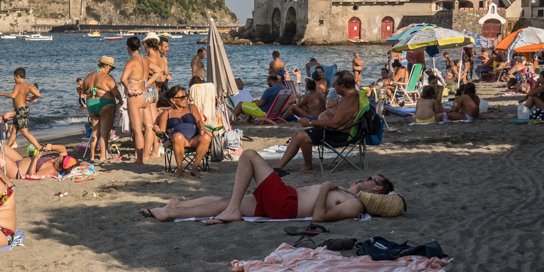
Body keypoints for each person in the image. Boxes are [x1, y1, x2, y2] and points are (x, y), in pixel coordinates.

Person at [139, 149, 396, 224]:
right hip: (285, 198)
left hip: (286, 204)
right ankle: (173, 208)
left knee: (249, 155)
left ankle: (231, 211)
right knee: (223, 199)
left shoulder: (354, 203)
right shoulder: (349, 194)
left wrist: (327, 187)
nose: (365, 179)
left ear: (376, 189)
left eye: (371, 179)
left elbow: (319, 217)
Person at [271, 71, 362, 174]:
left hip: (340, 135)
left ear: (342, 86)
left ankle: (308, 165)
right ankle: (279, 166)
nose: (333, 86)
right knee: (296, 136)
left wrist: (310, 122)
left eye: (335, 84)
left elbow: (335, 124)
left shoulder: (351, 100)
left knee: (302, 136)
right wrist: (334, 106)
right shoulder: (348, 97)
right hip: (333, 130)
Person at [155, 84, 211, 177]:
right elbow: (162, 133)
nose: (185, 99)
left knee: (206, 137)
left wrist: (202, 129)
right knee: (178, 136)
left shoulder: (191, 107)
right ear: (172, 100)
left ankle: (195, 168)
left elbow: (199, 121)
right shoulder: (166, 113)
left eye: (186, 96)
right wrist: (157, 131)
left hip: (194, 138)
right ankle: (179, 169)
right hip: (177, 140)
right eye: (181, 98)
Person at [81, 55, 121, 163]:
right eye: (111, 68)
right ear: (107, 66)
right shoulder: (108, 78)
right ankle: (103, 156)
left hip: (91, 104)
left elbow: (83, 91)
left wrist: (92, 91)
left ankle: (93, 156)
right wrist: (121, 102)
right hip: (105, 104)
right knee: (104, 132)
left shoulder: (88, 76)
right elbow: (116, 93)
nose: (111, 70)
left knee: (95, 132)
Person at [121, 36, 150, 165]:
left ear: (128, 48)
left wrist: (129, 88)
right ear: (139, 47)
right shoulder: (146, 60)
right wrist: (148, 83)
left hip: (136, 95)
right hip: (145, 94)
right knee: (146, 127)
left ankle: (140, 159)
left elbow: (123, 79)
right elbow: (158, 70)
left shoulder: (131, 62)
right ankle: (144, 155)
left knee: (137, 129)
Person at [0, 68, 43, 150]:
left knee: (24, 132)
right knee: (14, 130)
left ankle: (39, 147)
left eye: (14, 77)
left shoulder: (17, 86)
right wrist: (30, 99)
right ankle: (7, 148)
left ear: (17, 76)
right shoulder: (28, 86)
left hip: (21, 111)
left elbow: (13, 95)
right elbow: (38, 94)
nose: (14, 79)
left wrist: (3, 93)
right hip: (22, 110)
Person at [2, 143, 78, 179]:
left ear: (60, 168)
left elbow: (32, 176)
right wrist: (51, 147)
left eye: (57, 161)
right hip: (20, 161)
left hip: (17, 171)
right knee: (4, 147)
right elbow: (63, 149)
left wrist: (36, 159)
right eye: (57, 158)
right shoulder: (60, 162)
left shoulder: (50, 170)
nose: (55, 159)